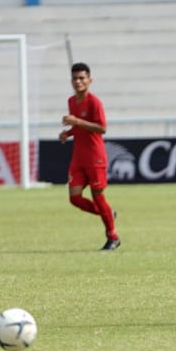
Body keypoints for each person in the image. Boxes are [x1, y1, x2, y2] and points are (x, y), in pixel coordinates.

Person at [59, 62, 119, 250]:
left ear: (89, 80)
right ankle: (108, 213)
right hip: (78, 157)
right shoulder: (71, 101)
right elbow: (79, 127)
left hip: (95, 157)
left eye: (82, 78)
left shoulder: (94, 102)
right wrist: (68, 133)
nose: (78, 81)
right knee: (74, 198)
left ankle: (113, 237)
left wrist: (76, 121)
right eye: (75, 78)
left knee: (98, 197)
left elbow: (102, 128)